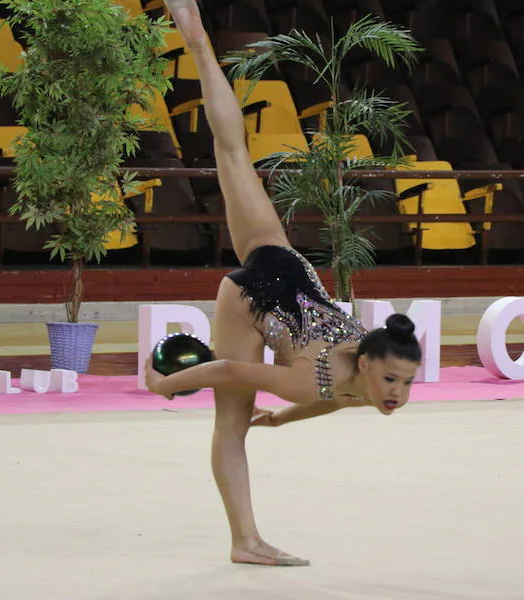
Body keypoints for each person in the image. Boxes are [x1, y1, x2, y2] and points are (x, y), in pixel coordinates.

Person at [145, 0, 423, 567]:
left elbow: (337, 401)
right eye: (394, 379)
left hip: (286, 264)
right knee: (231, 422)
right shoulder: (313, 377)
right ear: (368, 364)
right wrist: (164, 386)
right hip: (250, 293)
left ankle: (196, 40)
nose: (398, 392)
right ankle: (244, 541)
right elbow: (229, 371)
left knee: (232, 153)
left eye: (407, 384)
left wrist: (284, 418)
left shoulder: (362, 368)